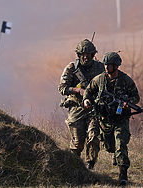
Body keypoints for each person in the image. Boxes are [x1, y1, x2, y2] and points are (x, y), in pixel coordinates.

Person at [83, 52, 140, 185]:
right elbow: (88, 91)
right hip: (101, 117)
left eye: (109, 65)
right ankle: (89, 165)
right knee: (93, 138)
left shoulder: (126, 80)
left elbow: (136, 97)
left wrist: (128, 102)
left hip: (119, 118)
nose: (107, 67)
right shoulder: (99, 79)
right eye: (105, 65)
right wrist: (86, 100)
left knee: (120, 144)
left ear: (116, 66)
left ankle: (123, 174)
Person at [58, 39, 104, 169]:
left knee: (94, 136)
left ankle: (90, 165)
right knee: (78, 142)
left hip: (93, 108)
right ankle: (74, 166)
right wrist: (78, 90)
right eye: (83, 54)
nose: (85, 57)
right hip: (76, 107)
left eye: (88, 54)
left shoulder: (100, 68)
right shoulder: (72, 68)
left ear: (92, 54)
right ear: (78, 55)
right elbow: (62, 88)